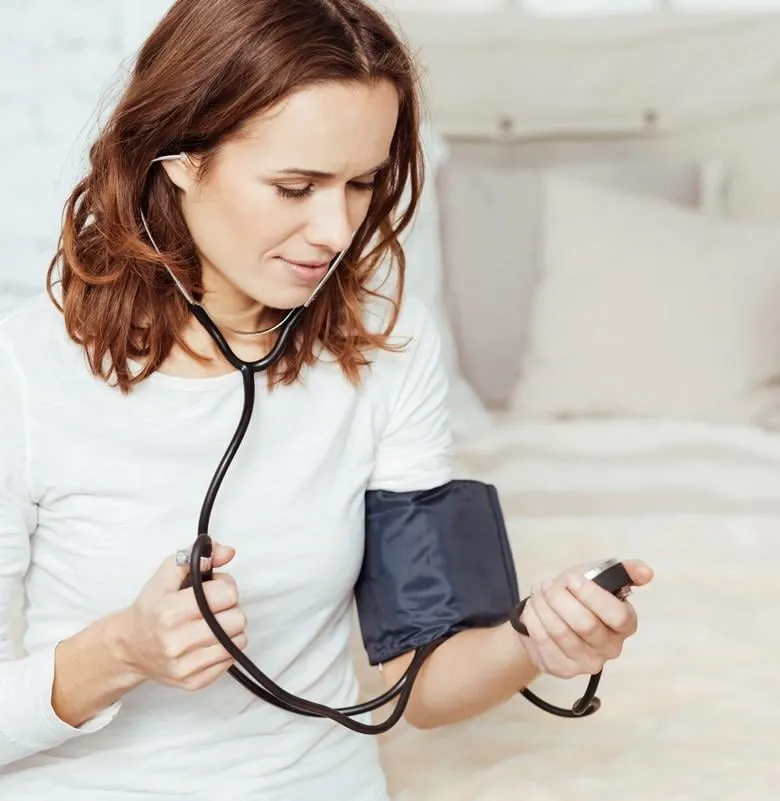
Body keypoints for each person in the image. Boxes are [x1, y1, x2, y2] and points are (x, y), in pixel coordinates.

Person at [0, 0, 654, 798]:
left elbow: (425, 680)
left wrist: (535, 638)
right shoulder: (24, 371)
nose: (335, 230)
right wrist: (121, 652)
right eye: (296, 186)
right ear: (175, 157)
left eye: (362, 184)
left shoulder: (390, 346)